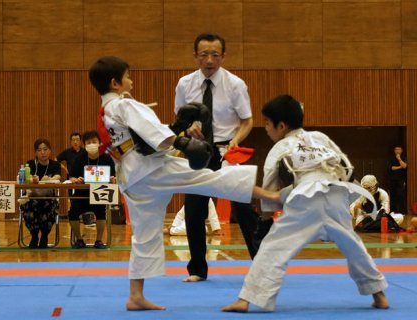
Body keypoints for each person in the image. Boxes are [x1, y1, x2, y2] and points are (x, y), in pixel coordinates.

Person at [89, 56, 279, 311]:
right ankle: (272, 196)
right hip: (152, 169)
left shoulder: (106, 111)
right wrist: (182, 143)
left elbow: (143, 135)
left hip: (132, 178)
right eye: (128, 76)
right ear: (115, 83)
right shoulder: (125, 105)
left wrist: (177, 127)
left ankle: (136, 296)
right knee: (211, 178)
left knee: (144, 234)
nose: (131, 81)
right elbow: (156, 135)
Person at [222, 94, 389, 313]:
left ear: (280, 126)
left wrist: (265, 218)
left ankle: (246, 300)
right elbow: (345, 167)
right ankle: (379, 295)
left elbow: (271, 190)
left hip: (305, 201)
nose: (265, 128)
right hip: (336, 194)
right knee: (353, 246)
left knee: (273, 249)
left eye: (267, 123)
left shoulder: (279, 148)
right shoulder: (320, 137)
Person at [174, 32, 259, 282]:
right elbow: (180, 120)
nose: (209, 60)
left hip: (227, 151)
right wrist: (187, 129)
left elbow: (247, 120)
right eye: (204, 55)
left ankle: (262, 264)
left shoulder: (235, 84)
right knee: (194, 210)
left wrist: (236, 140)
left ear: (223, 56)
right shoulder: (184, 84)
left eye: (214, 55)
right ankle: (198, 269)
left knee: (243, 209)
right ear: (195, 56)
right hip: (198, 151)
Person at [68, 130, 115, 249]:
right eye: (89, 142)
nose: (92, 144)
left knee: (101, 211)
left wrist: (112, 178)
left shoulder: (106, 158)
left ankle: (99, 240)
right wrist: (74, 179)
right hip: (81, 194)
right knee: (73, 212)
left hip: (99, 193)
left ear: (99, 143)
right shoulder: (79, 159)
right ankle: (79, 240)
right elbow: (71, 176)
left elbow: (113, 176)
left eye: (94, 142)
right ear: (84, 145)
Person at [20, 138, 61, 249]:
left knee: (49, 204)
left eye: (45, 149)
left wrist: (47, 179)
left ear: (50, 151)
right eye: (39, 150)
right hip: (32, 196)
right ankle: (34, 236)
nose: (42, 152)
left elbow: (58, 177)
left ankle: (44, 236)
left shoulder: (55, 164)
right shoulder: (30, 164)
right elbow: (23, 178)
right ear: (35, 152)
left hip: (48, 197)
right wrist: (32, 179)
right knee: (29, 205)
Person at [389, 145, 407, 213]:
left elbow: (405, 166)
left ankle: (401, 211)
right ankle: (393, 211)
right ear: (394, 151)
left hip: (401, 180)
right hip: (393, 179)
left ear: (401, 151)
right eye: (396, 149)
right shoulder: (391, 158)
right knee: (393, 195)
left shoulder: (404, 158)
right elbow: (391, 168)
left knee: (401, 195)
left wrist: (399, 159)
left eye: (399, 149)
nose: (397, 151)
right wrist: (400, 166)